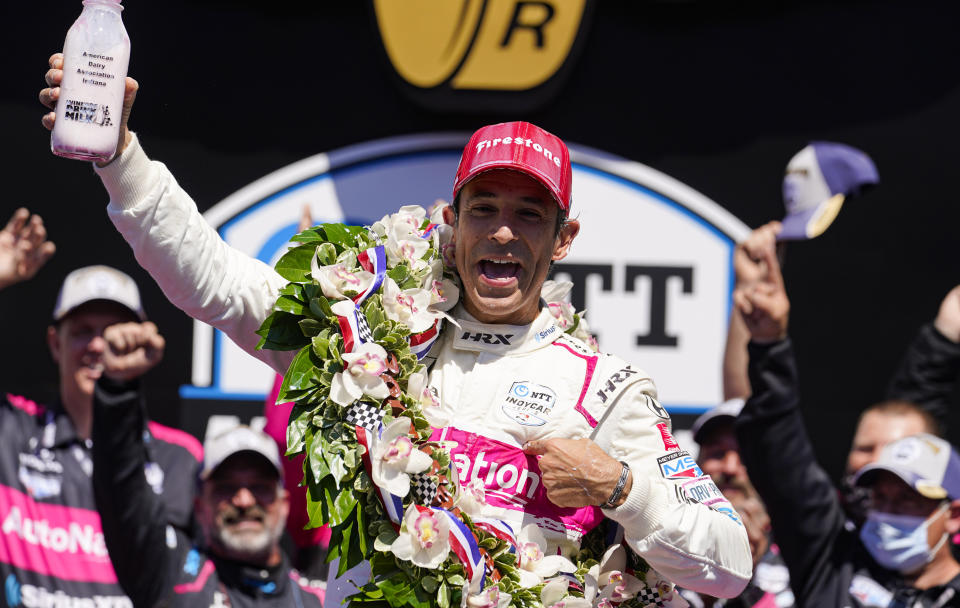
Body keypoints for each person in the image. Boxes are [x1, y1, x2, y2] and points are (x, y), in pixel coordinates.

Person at [39, 56, 753, 599]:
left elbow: (728, 564)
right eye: (485, 209)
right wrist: (119, 158)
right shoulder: (364, 334)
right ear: (451, 222)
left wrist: (621, 486)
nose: (503, 233)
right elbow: (216, 282)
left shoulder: (607, 391)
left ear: (563, 239)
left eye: (530, 215)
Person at [732, 221, 960, 606]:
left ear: (952, 515)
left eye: (906, 500)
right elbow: (780, 456)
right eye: (880, 497)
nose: (887, 514)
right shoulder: (833, 559)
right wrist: (770, 345)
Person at [0, 209, 202, 608]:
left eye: (112, 331)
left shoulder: (181, 457)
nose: (97, 346)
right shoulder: (10, 432)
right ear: (55, 343)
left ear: (142, 340)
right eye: (82, 332)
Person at [91, 323, 326, 608]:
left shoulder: (320, 600)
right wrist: (118, 389)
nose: (243, 499)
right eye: (226, 488)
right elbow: (122, 491)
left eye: (260, 487)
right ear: (200, 506)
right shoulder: (170, 576)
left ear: (285, 504)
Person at [681, 400, 794, 608]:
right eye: (717, 453)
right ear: (696, 465)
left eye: (746, 455)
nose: (730, 468)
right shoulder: (659, 546)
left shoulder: (800, 553)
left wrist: (744, 583)